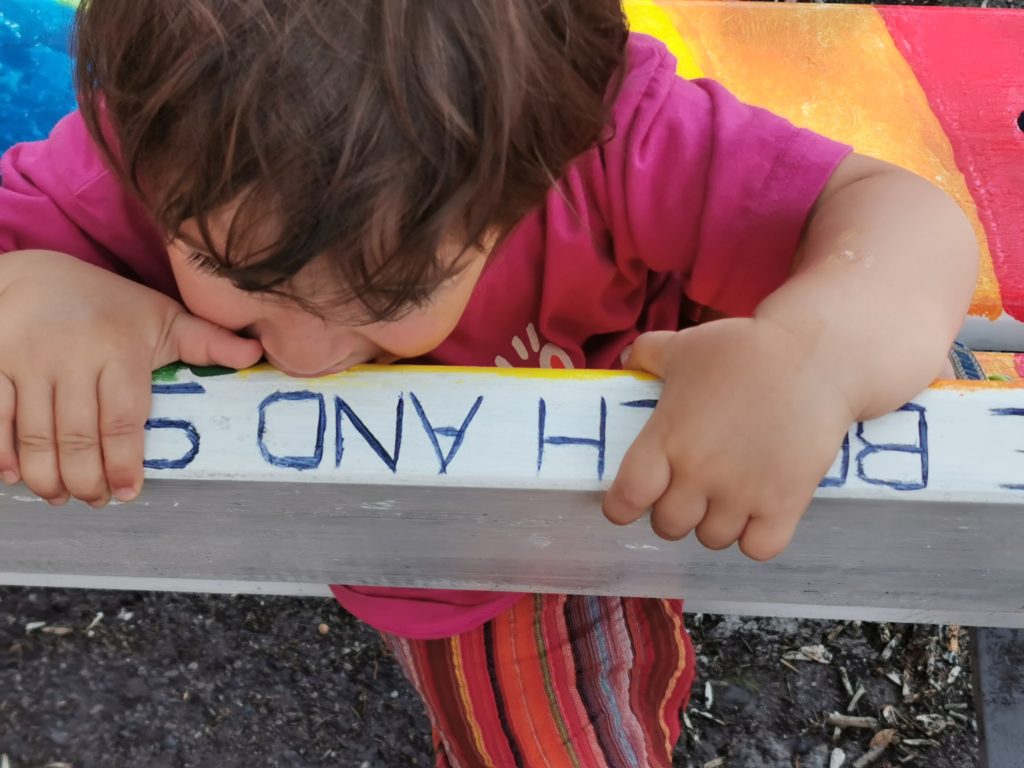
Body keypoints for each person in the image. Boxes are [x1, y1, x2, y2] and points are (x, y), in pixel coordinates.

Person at [0, 0, 977, 765]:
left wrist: (813, 355)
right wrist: (31, 286)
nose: (299, 354)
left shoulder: (607, 142)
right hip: (386, 528)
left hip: (554, 538)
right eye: (242, 281)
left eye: (393, 292)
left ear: (537, 174)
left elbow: (900, 219)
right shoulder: (168, 130)